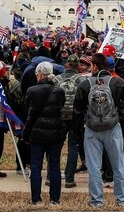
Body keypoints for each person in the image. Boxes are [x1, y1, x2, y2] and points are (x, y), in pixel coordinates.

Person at [73, 53, 124, 208]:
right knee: (118, 166)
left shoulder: (84, 84)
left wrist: (77, 131)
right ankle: (122, 200)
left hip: (92, 129)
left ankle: (96, 201)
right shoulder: (116, 82)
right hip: (113, 127)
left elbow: (77, 111)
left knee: (94, 168)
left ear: (94, 66)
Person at [23, 62, 66, 205]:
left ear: (40, 74)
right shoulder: (59, 91)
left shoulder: (31, 91)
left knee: (36, 166)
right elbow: (61, 107)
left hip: (36, 133)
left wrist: (26, 134)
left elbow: (27, 111)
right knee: (54, 166)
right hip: (55, 133)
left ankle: (36, 199)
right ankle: (55, 199)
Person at [53, 54, 87, 187]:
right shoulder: (81, 80)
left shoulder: (57, 79)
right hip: (75, 117)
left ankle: (51, 177)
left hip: (58, 116)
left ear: (66, 64)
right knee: (73, 147)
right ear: (78, 66)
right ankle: (69, 178)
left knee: (55, 147)